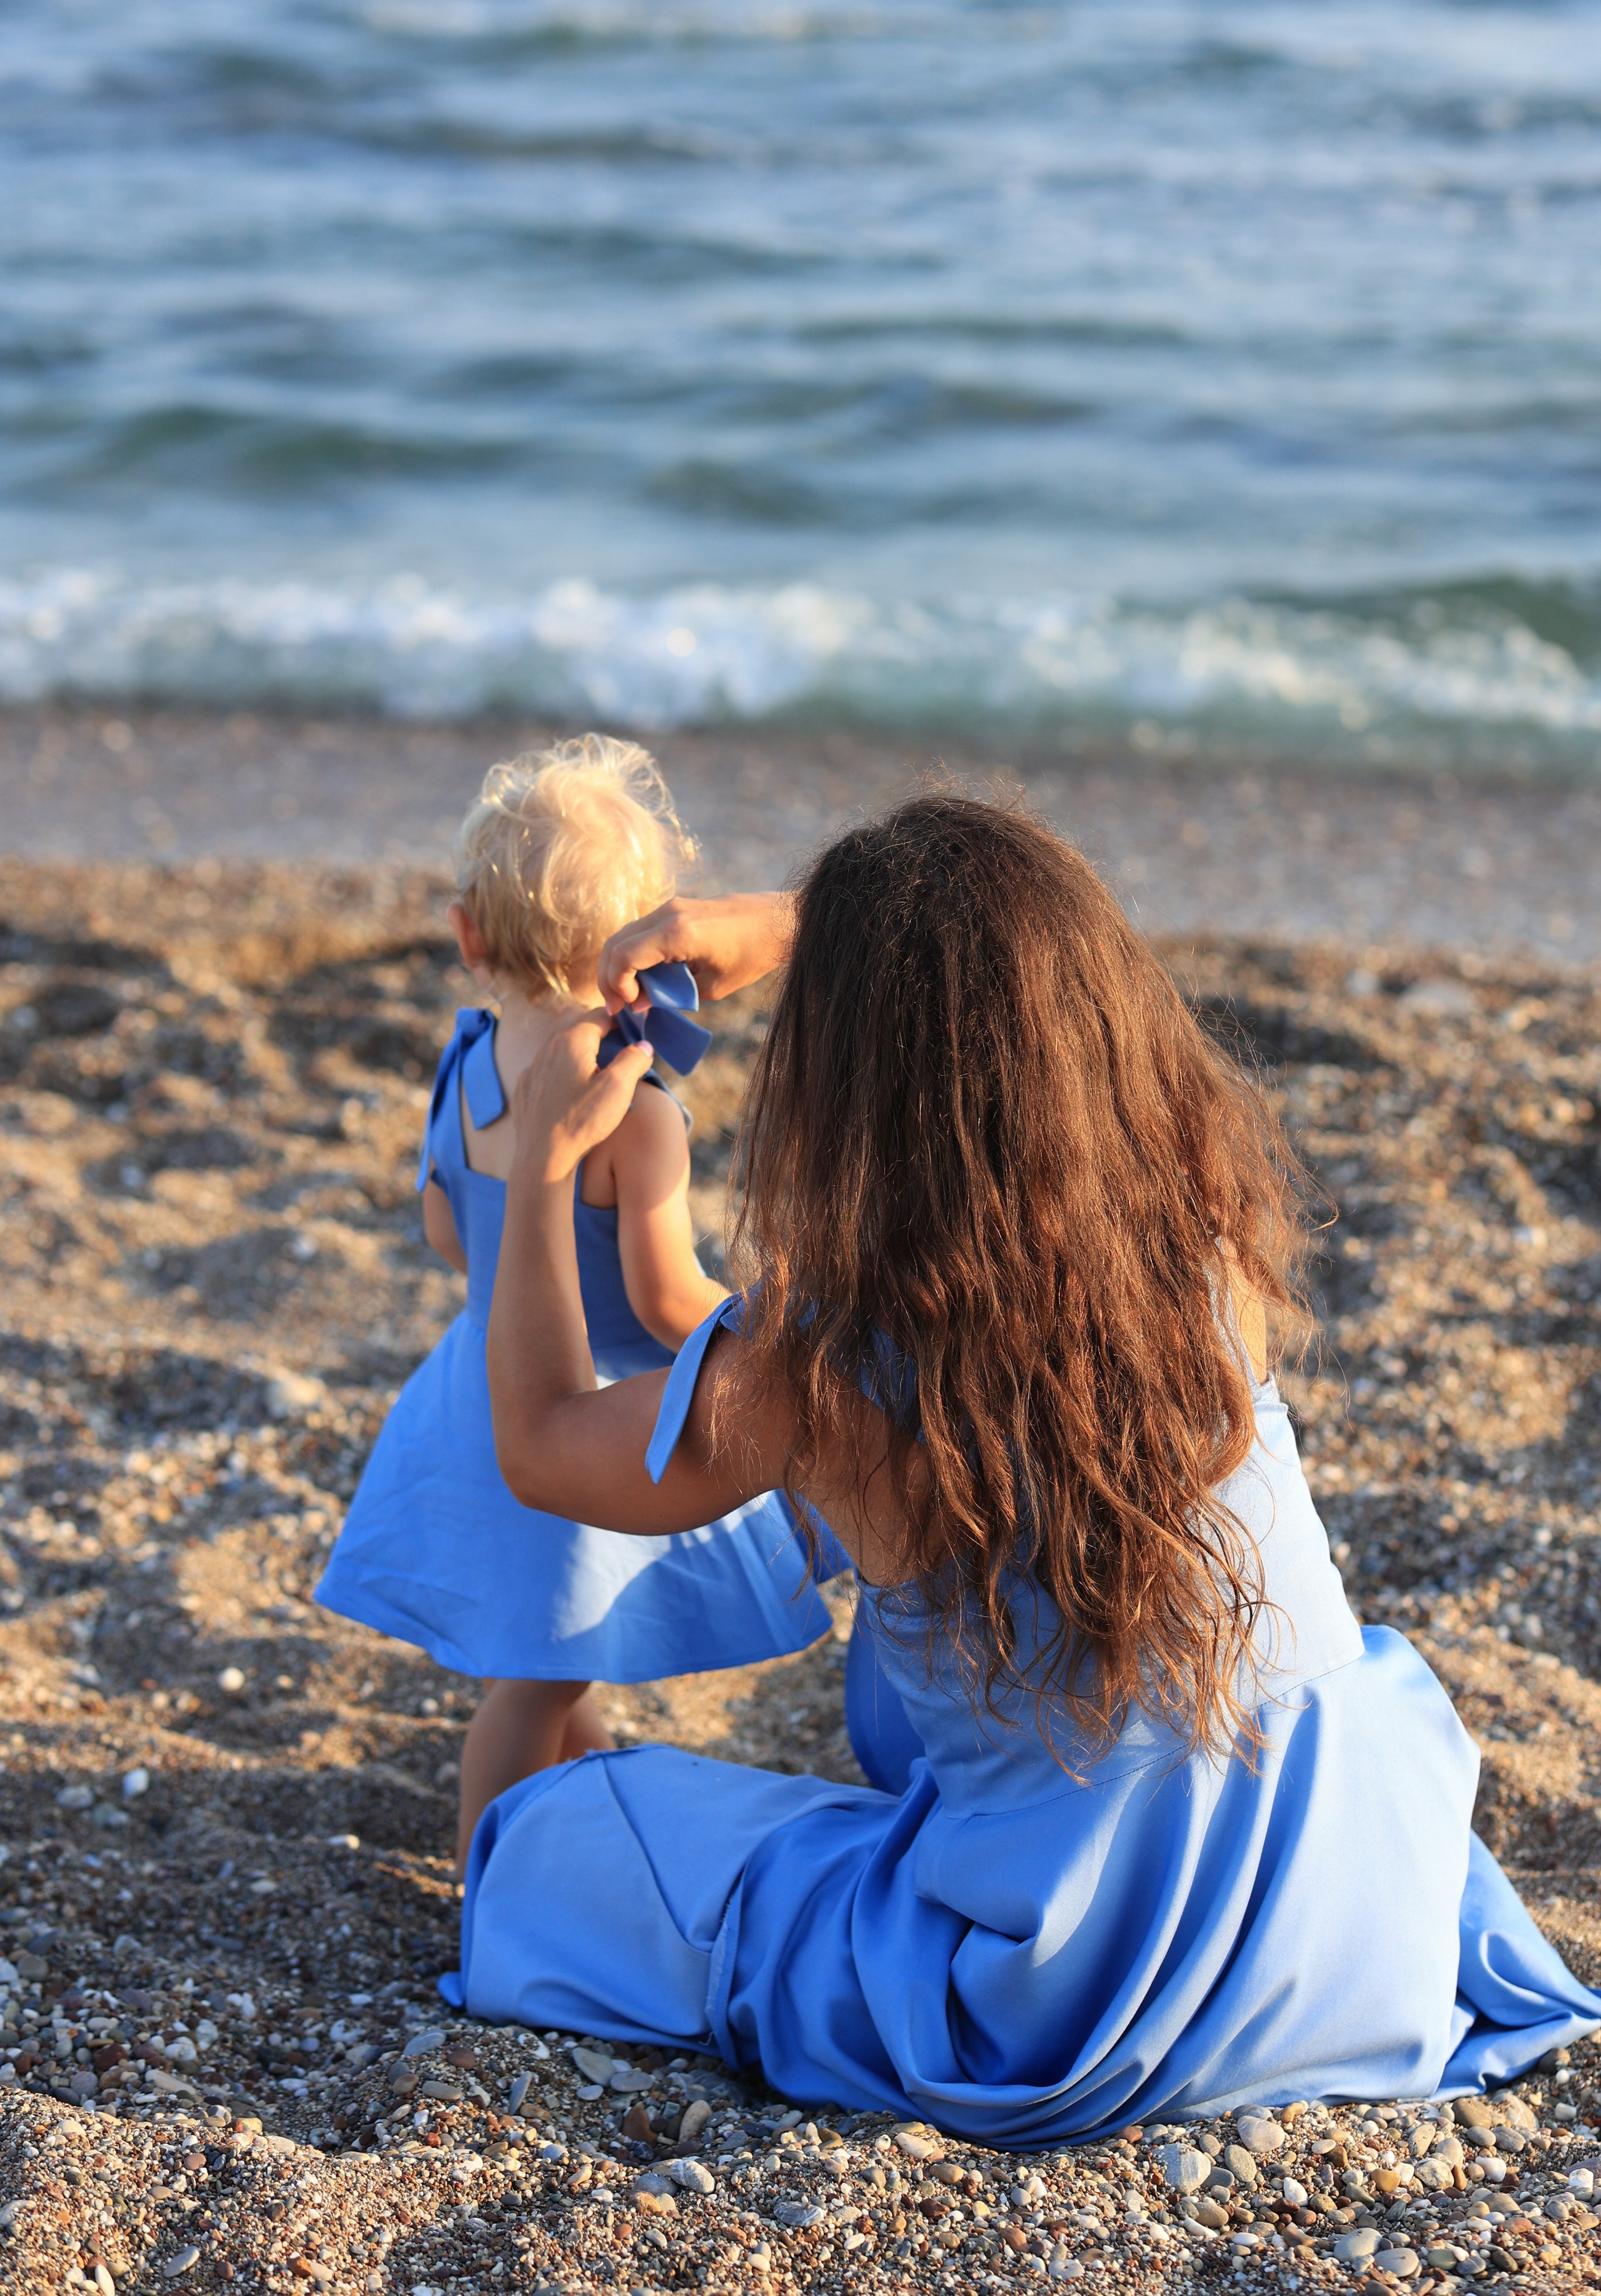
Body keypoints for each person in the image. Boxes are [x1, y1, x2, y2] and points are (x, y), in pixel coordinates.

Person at [448, 795, 1599, 2139]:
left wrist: (536, 1169)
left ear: (838, 1085)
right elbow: (1020, 964)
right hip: (1368, 1919)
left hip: (1075, 2002)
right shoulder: (1199, 1227)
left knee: (580, 1838)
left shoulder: (815, 1364)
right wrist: (802, 925)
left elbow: (539, 1445)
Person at [315, 737, 833, 1876]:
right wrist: (767, 1316)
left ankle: (573, 1819)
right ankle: (489, 1889)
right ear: (654, 946)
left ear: (466, 937)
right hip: (584, 1412)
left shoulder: (467, 1064)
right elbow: (661, 1303)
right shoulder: (635, 1113)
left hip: (480, 1381)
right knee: (531, 1685)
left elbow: (447, 1230)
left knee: (552, 1669)